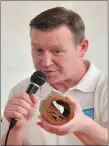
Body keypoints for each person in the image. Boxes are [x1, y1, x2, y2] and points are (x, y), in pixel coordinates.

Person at [1, 7, 108, 145]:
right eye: (38, 50)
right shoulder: (21, 91)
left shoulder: (104, 87)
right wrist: (16, 129)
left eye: (57, 51)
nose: (45, 63)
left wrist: (84, 126)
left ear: (82, 47)